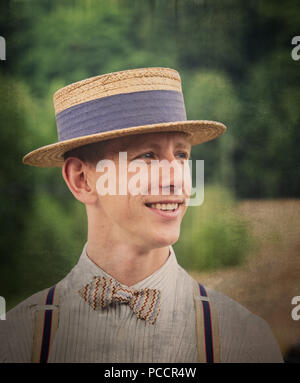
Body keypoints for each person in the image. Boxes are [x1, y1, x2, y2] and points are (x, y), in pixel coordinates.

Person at [0, 67, 283, 363]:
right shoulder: (14, 343)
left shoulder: (246, 342)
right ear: (81, 180)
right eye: (147, 156)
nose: (176, 179)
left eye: (182, 155)